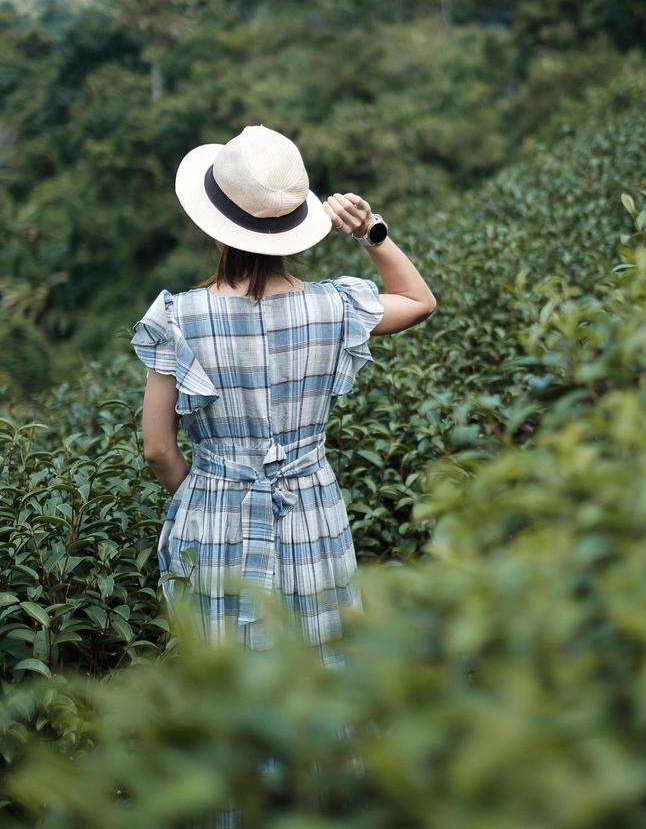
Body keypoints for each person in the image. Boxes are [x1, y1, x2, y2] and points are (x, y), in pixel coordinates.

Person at [130, 124, 437, 825]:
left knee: (225, 688)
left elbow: (156, 447)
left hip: (217, 522)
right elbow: (419, 300)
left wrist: (205, 492)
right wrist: (374, 232)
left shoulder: (180, 318)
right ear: (295, 226)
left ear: (214, 223)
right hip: (311, 514)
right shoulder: (335, 305)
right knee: (323, 668)